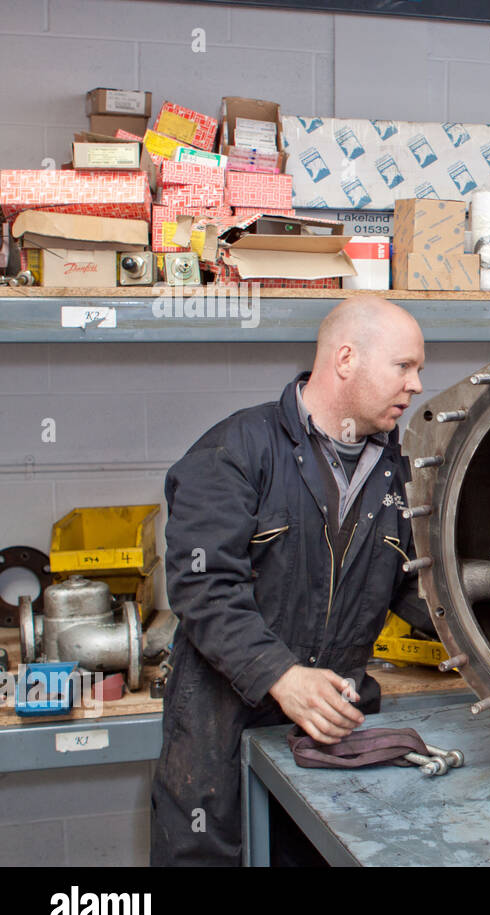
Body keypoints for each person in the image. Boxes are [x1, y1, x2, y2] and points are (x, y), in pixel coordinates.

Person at [151, 296, 436, 866]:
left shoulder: (398, 473)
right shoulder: (235, 452)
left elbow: (422, 587)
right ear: (346, 358)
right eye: (404, 366)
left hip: (332, 737)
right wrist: (281, 675)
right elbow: (204, 588)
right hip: (219, 738)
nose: (418, 385)